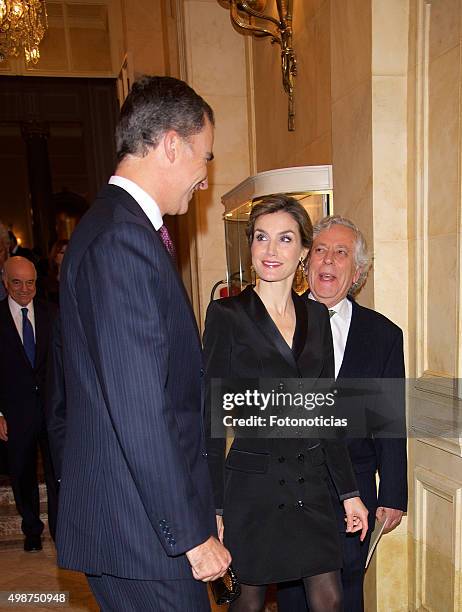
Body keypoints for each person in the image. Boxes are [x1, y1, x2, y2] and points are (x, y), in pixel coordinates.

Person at [46, 76, 231, 611]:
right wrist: (191, 535)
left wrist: (199, 508)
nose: (204, 176)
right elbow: (139, 405)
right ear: (172, 144)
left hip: (140, 524)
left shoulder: (114, 227)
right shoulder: (122, 237)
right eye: (205, 155)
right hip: (142, 534)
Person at [204, 196, 368, 612]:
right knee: (248, 604)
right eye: (262, 238)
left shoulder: (316, 317)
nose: (271, 250)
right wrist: (214, 506)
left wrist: (349, 493)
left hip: (309, 486)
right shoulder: (227, 314)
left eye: (285, 239)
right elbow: (211, 416)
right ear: (251, 246)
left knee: (330, 600)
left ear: (302, 252)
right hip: (252, 488)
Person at [277, 215, 407, 612]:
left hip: (355, 490)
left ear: (357, 272)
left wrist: (394, 494)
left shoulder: (384, 335)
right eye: (320, 250)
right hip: (287, 489)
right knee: (293, 593)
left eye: (340, 253)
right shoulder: (275, 322)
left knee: (347, 591)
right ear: (306, 262)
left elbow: (389, 419)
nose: (328, 261)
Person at [0, 256, 58, 551]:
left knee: (57, 473)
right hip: (14, 411)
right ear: (5, 282)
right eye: (17, 282)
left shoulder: (52, 313)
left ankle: (62, 533)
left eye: (30, 282)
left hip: (52, 410)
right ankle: (32, 530)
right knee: (22, 474)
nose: (24, 289)